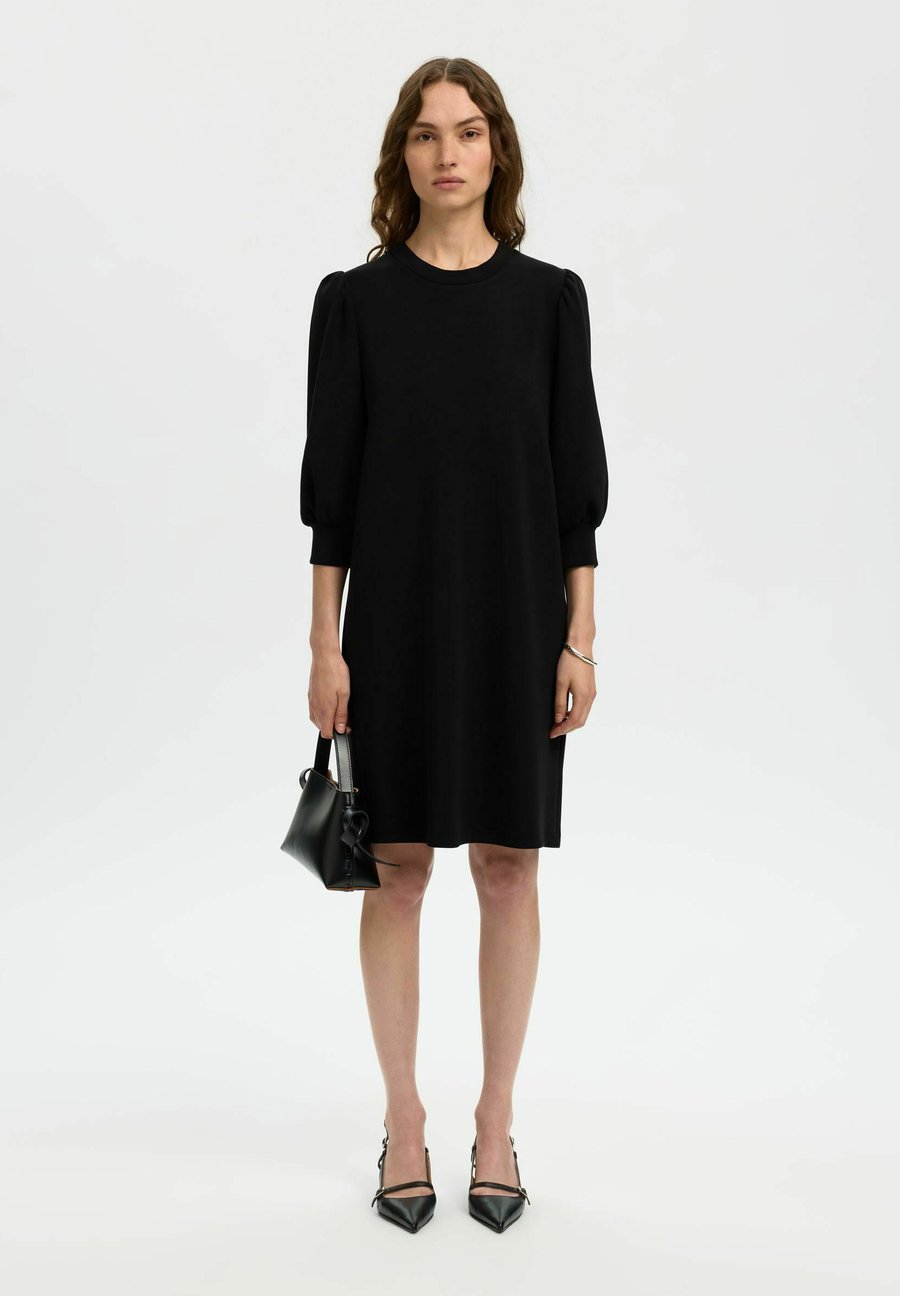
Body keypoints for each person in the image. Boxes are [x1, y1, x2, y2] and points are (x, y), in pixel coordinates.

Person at [299, 56, 609, 1234]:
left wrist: (581, 638)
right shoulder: (354, 303)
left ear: (497, 152)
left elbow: (574, 488)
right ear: (404, 156)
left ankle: (494, 1120)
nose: (447, 154)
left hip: (519, 619)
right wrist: (324, 646)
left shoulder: (551, 300)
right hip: (394, 621)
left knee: (509, 867)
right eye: (426, 134)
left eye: (468, 132)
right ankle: (403, 1119)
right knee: (400, 868)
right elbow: (332, 498)